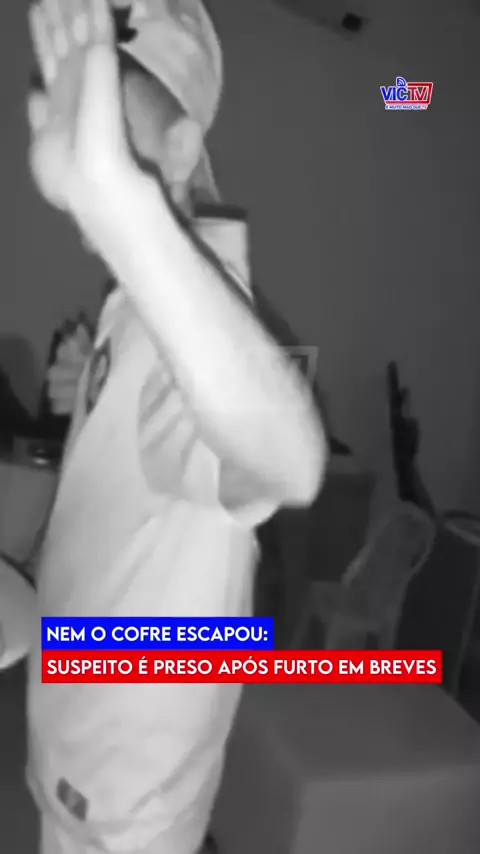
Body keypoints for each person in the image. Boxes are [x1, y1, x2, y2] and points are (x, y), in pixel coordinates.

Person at [26, 1, 327, 853]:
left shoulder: (188, 335)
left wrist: (122, 209)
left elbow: (292, 465)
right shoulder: (138, 310)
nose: (80, 147)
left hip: (124, 805)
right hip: (84, 757)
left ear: (183, 150)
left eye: (105, 125)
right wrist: (85, 404)